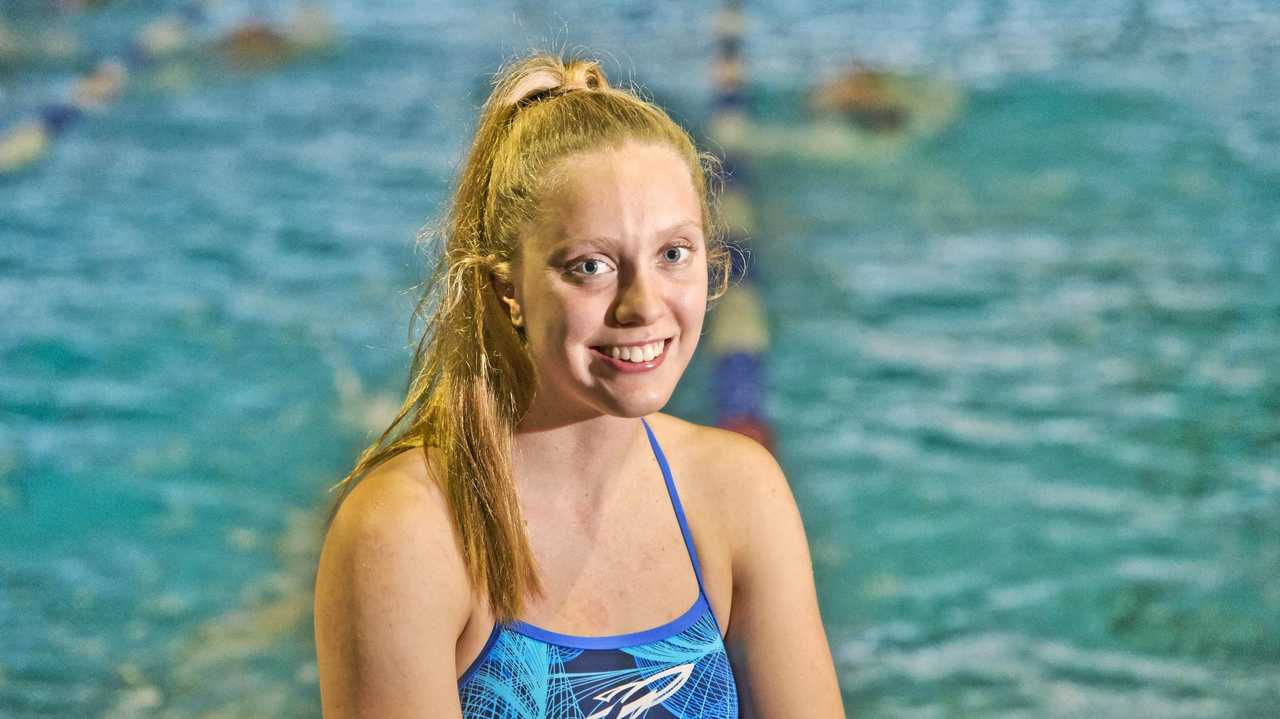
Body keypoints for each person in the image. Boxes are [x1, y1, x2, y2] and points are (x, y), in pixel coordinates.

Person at [313, 52, 845, 718]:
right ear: (508, 285)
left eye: (673, 253)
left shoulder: (738, 493)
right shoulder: (409, 533)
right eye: (591, 265)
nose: (643, 305)